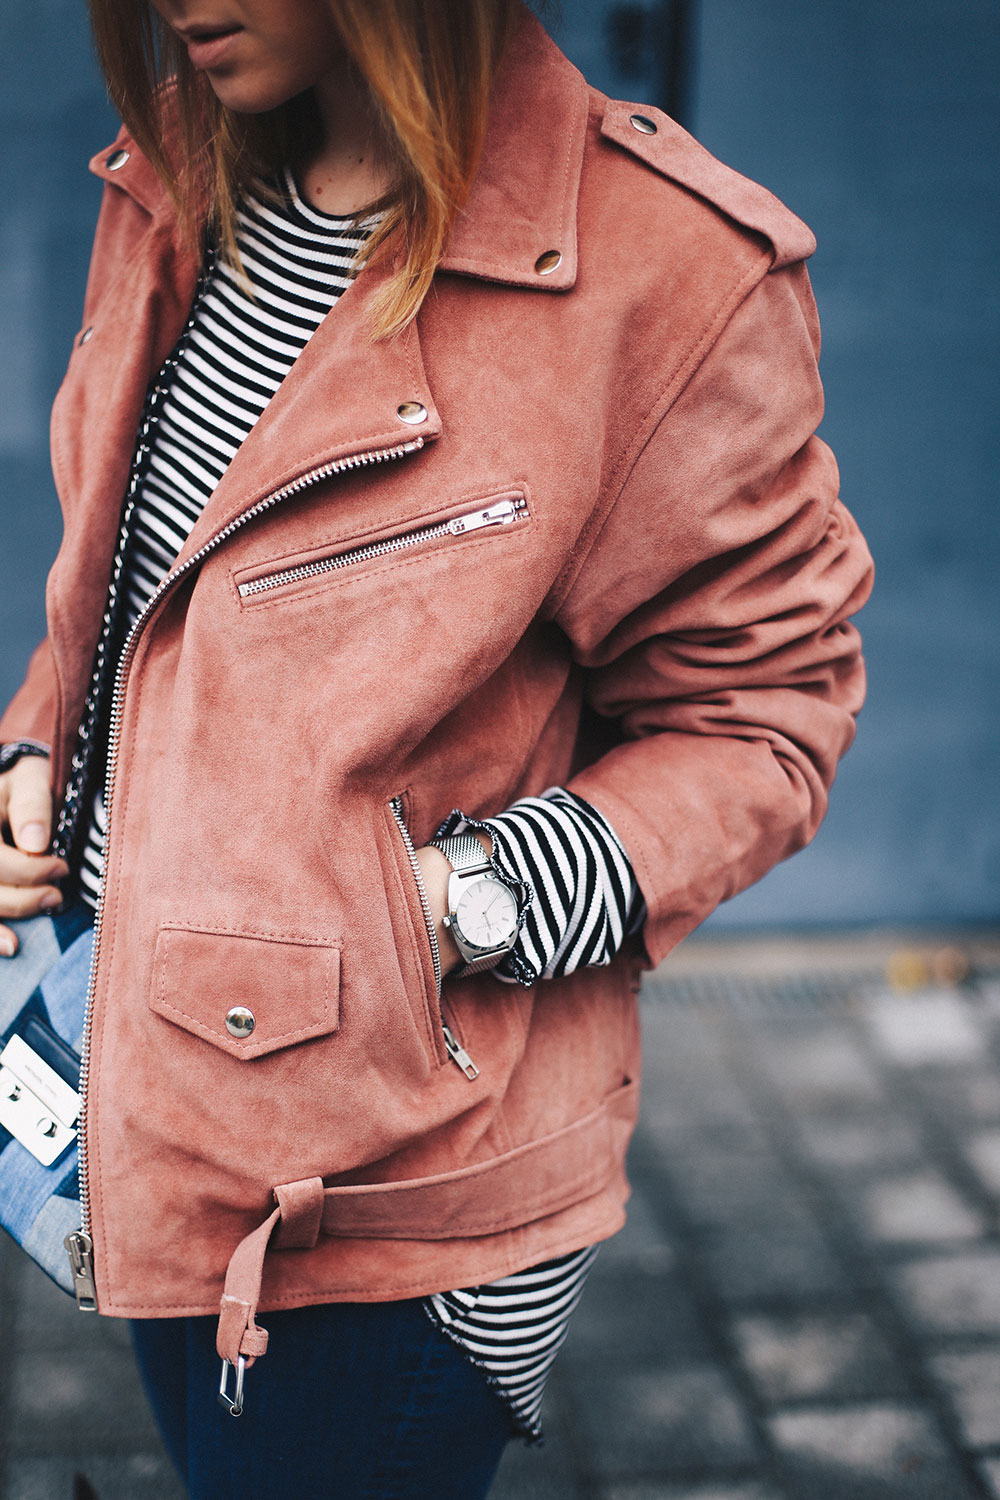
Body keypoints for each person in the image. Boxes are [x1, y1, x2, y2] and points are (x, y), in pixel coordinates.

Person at [0, 0, 874, 1495]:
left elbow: (765, 717)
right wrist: (40, 753)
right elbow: (136, 575)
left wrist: (446, 909)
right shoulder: (176, 179)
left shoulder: (663, 272)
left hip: (394, 1200)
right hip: (145, 1095)